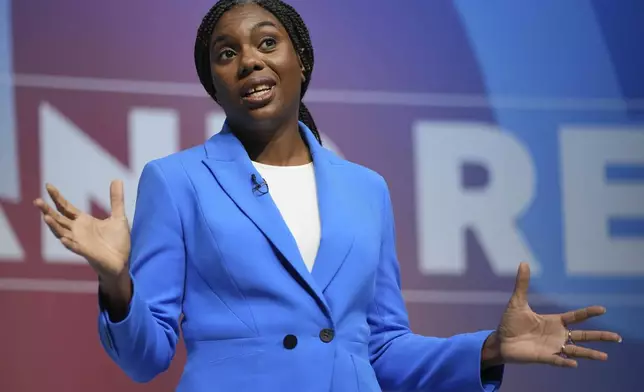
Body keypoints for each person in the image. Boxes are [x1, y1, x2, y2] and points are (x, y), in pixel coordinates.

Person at [34, 0, 621, 391]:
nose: (250, 61)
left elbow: (382, 349)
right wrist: (117, 284)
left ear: (301, 61)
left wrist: (489, 349)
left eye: (268, 42)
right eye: (226, 54)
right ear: (213, 82)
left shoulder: (367, 189)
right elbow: (145, 357)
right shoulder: (177, 180)